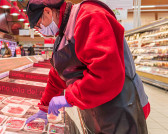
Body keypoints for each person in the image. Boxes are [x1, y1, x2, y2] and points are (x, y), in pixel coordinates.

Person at [26, 0, 150, 133]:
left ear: (48, 11)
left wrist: (69, 98)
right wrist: (44, 107)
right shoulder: (63, 35)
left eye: (40, 24)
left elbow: (107, 75)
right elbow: (57, 77)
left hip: (122, 108)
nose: (42, 31)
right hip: (96, 110)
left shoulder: (90, 16)